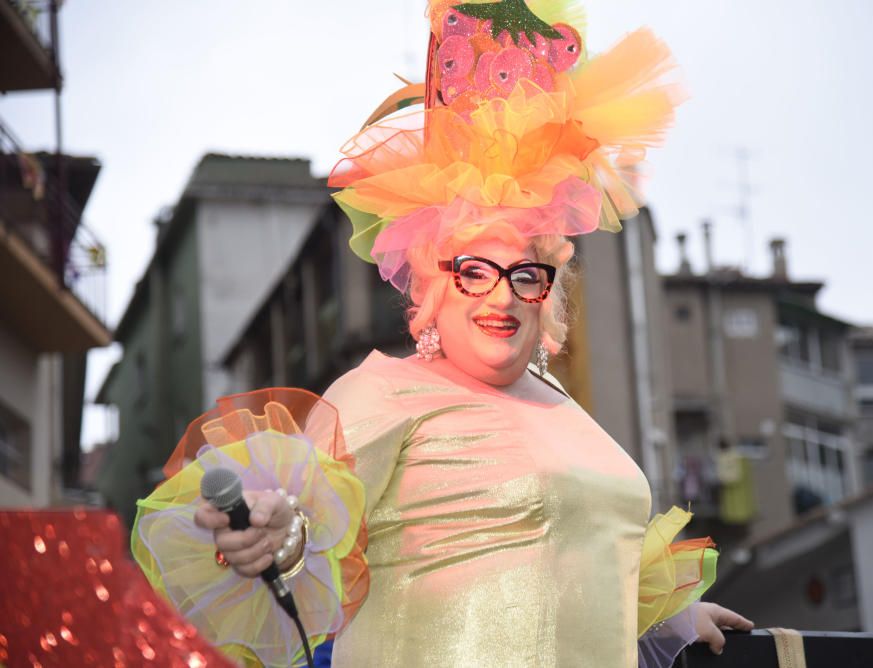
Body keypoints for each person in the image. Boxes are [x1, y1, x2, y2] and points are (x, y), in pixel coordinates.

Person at [139, 1, 754, 665]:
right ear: (433, 279)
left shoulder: (569, 412)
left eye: (526, 273)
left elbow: (575, 566)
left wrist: (670, 618)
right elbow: (307, 524)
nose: (501, 294)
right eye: (475, 269)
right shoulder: (382, 393)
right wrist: (275, 532)